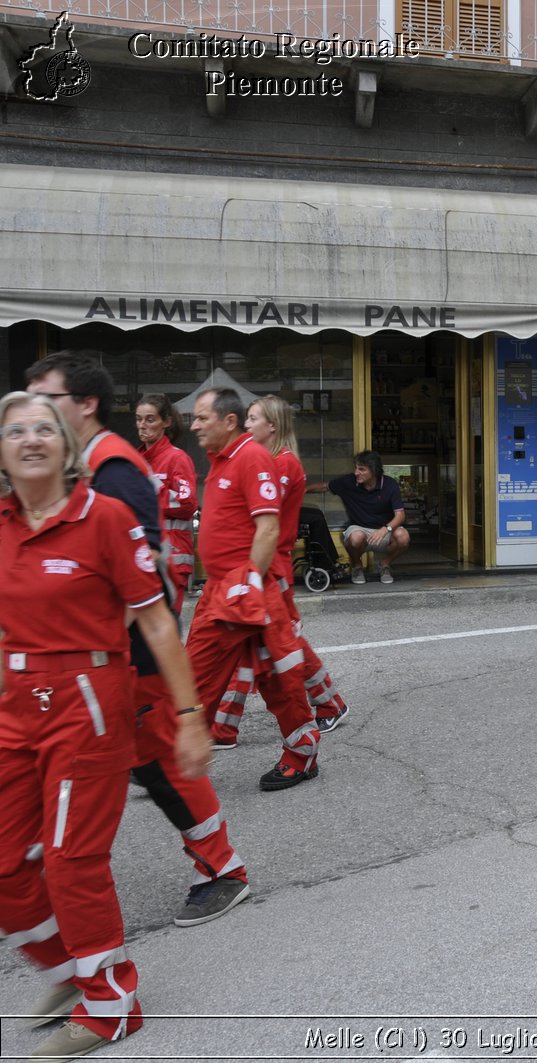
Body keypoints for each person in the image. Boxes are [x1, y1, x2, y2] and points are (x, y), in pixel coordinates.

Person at [0, 391, 209, 1059]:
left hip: (87, 701)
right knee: (5, 862)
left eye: (44, 427)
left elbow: (154, 620)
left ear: (66, 446)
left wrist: (188, 714)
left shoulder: (105, 516)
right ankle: (69, 969)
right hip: (14, 701)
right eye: (15, 430)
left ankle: (112, 1002)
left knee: (70, 860)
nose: (31, 438)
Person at [27, 356, 249, 928]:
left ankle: (222, 868)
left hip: (125, 657)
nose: (31, 409)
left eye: (44, 396)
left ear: (84, 404)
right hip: (88, 660)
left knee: (160, 763)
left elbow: (139, 573)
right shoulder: (80, 462)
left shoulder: (114, 468)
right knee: (136, 764)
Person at [187, 387, 322, 790]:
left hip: (246, 589)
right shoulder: (222, 461)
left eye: (201, 418)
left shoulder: (251, 457)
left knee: (276, 676)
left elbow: (268, 527)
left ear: (227, 422)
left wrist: (246, 585)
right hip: (225, 588)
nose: (193, 425)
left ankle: (303, 753)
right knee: (206, 671)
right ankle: (177, 751)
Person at [240, 396, 351, 734]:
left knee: (283, 642)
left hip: (272, 563)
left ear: (271, 425)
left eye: (252, 418)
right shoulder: (270, 461)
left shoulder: (283, 464)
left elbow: (265, 518)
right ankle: (219, 726)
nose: (246, 425)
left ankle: (329, 702)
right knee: (252, 643)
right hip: (262, 561)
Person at [134, 393, 198, 593]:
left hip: (173, 557)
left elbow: (187, 503)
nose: (142, 425)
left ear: (167, 422)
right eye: (138, 419)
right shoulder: (134, 459)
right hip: (141, 555)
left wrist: (146, 488)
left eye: (150, 419)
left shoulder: (177, 459)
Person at [320, 452, 408, 584]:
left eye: (362, 469)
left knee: (403, 536)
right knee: (356, 537)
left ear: (374, 470)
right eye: (356, 468)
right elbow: (324, 487)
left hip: (384, 531)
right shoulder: (348, 482)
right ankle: (357, 567)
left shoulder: (390, 484)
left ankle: (384, 565)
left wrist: (385, 529)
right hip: (359, 529)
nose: (356, 472)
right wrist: (301, 490)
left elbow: (400, 515)